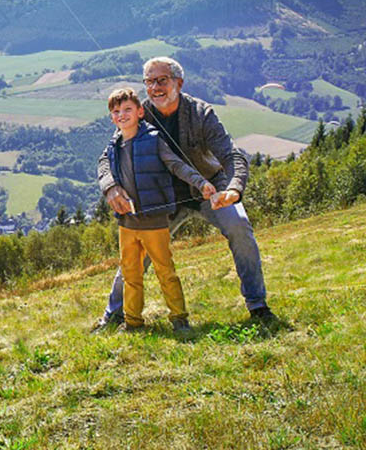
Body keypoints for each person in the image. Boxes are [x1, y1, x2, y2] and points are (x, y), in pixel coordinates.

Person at [93, 56, 275, 330]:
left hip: (209, 190)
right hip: (162, 199)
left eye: (162, 80)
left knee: (238, 225)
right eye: (149, 81)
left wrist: (234, 188)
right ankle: (114, 314)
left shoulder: (201, 114)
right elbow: (107, 157)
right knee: (138, 251)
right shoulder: (140, 113)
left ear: (179, 82)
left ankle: (257, 305)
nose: (155, 88)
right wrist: (110, 186)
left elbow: (232, 155)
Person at [103, 87, 214, 333]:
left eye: (127, 109)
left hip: (154, 220)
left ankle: (179, 318)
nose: (122, 115)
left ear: (140, 112)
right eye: (116, 112)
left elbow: (176, 165)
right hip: (127, 222)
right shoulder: (113, 145)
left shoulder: (154, 139)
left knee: (165, 270)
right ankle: (132, 322)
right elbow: (106, 172)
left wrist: (200, 182)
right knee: (130, 274)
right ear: (112, 118)